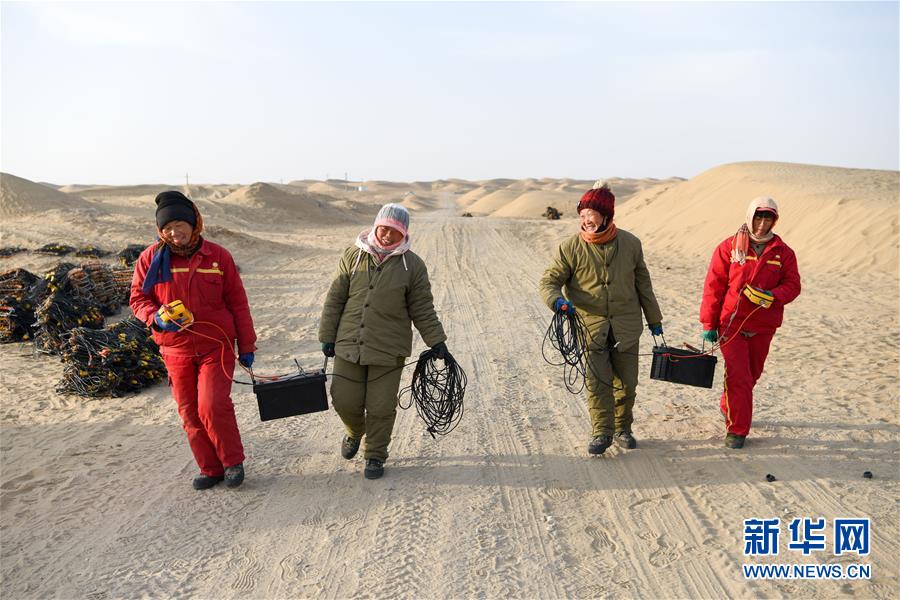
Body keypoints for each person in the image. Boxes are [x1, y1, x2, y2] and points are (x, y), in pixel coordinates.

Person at [130, 191, 257, 489]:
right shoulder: (150, 258)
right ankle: (210, 468)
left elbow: (238, 304)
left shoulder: (218, 256)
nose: (174, 233)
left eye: (179, 225)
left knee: (211, 405)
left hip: (216, 345)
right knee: (189, 412)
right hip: (175, 349)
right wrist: (154, 316)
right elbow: (137, 298)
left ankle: (232, 462)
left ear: (194, 223)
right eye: (167, 228)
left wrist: (246, 345)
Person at [319, 203, 448, 479]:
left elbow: (422, 308)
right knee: (343, 399)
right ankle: (355, 432)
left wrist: (436, 341)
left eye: (395, 232)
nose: (388, 236)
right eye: (384, 229)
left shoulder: (412, 265)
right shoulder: (353, 255)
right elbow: (335, 298)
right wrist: (327, 336)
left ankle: (375, 455)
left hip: (388, 349)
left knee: (380, 406)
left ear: (405, 234)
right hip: (349, 344)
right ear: (375, 226)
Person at [540, 181, 663, 455]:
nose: (586, 220)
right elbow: (549, 281)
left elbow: (644, 285)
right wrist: (557, 301)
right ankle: (601, 432)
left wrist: (654, 320)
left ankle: (622, 428)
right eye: (582, 215)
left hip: (626, 326)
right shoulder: (570, 248)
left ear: (606, 216)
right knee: (597, 383)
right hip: (590, 327)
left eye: (592, 214)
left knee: (627, 383)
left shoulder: (631, 244)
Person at [700, 196, 801, 449]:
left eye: (768, 219)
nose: (762, 224)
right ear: (750, 216)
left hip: (763, 326)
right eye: (758, 217)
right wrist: (708, 324)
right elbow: (713, 287)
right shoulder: (729, 247)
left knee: (751, 375)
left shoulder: (783, 252)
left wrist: (772, 295)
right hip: (731, 324)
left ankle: (728, 405)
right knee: (740, 377)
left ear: (774, 221)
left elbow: (793, 285)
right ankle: (737, 430)